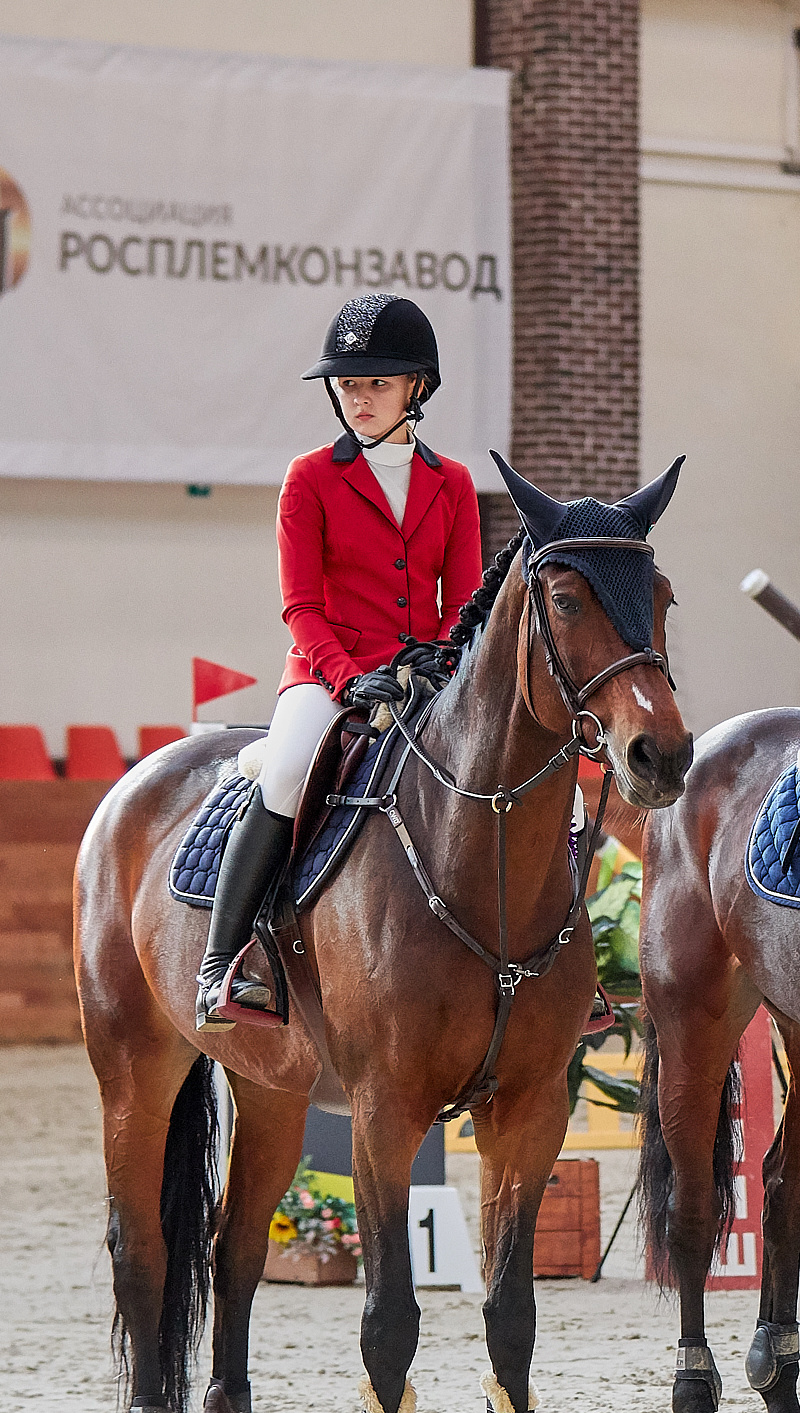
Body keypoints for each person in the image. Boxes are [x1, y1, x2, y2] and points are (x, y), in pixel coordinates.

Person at [196, 293, 482, 1031]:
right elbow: (302, 606)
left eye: (376, 384)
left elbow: (465, 602)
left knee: (533, 780)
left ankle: (568, 964)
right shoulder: (310, 477)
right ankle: (225, 961)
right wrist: (348, 677)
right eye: (349, 385)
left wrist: (439, 659)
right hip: (329, 671)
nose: (359, 398)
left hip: (430, 677)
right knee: (287, 768)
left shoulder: (452, 483)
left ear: (417, 387)